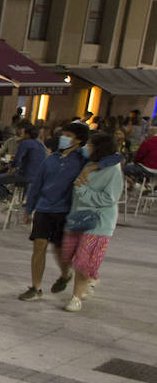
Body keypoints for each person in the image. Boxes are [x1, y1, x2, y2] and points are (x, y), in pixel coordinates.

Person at [18, 124, 88, 301]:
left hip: (65, 211)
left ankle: (65, 275)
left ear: (79, 139)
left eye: (69, 135)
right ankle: (36, 287)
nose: (64, 138)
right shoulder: (50, 159)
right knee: (39, 245)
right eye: (63, 134)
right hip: (44, 208)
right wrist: (29, 208)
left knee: (61, 250)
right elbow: (37, 184)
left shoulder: (82, 161)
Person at [59, 133, 124, 312]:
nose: (86, 147)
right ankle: (91, 278)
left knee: (83, 261)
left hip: (98, 223)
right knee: (69, 255)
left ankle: (76, 298)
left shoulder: (113, 169)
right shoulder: (90, 163)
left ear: (99, 148)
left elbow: (109, 198)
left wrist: (83, 190)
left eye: (90, 144)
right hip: (78, 217)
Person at [0, 125, 46, 203]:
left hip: (24, 175)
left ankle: (6, 195)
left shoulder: (25, 143)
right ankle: (20, 201)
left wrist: (13, 168)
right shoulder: (40, 145)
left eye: (23, 134)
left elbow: (17, 159)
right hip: (37, 177)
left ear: (27, 135)